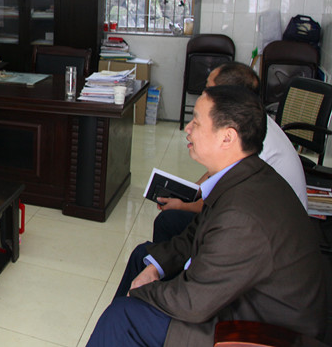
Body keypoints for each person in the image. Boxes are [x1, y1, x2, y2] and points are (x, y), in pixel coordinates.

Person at [86, 85, 327, 347]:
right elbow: (194, 234)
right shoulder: (244, 175)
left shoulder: (242, 216)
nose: (188, 128)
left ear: (227, 137)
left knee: (122, 317)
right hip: (240, 299)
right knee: (142, 258)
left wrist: (144, 292)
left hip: (257, 329)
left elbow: (192, 302)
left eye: (197, 122)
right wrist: (154, 267)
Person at [152, 62, 307, 243]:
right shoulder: (250, 121)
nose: (203, 94)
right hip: (257, 215)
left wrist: (183, 206)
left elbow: (224, 201)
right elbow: (218, 175)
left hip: (269, 231)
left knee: (168, 221)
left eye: (209, 89)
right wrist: (190, 191)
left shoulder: (250, 140)